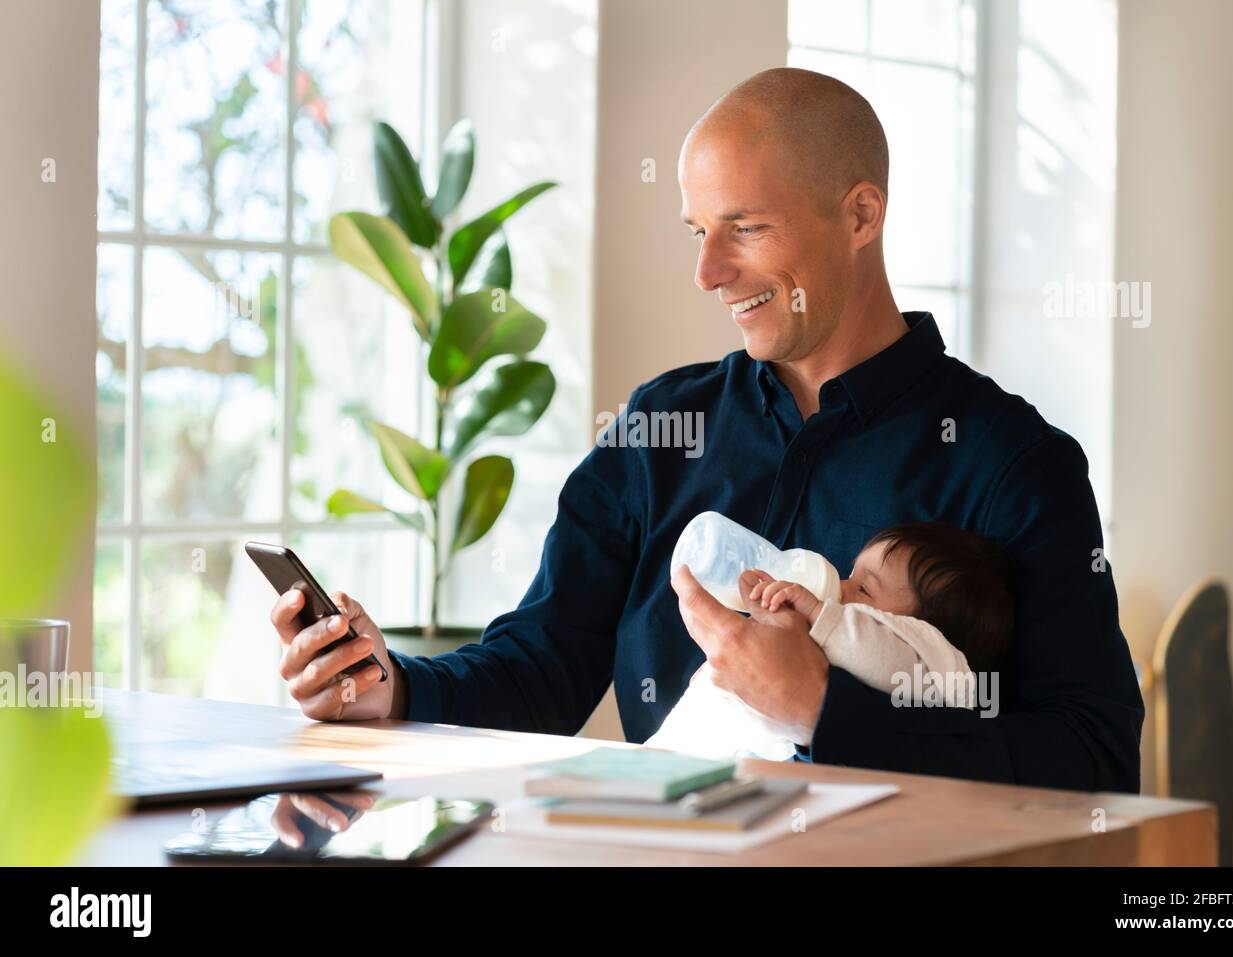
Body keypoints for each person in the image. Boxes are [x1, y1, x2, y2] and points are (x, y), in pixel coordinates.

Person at [269, 66, 1143, 792]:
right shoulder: (660, 425)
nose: (707, 271)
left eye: (745, 228)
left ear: (861, 216)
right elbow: (545, 656)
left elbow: (1094, 760)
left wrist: (826, 712)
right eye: (696, 229)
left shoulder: (1015, 464)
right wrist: (393, 689)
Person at [645, 521, 1015, 759]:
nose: (839, 588)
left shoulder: (935, 660)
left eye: (863, 589)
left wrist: (823, 617)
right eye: (852, 576)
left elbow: (881, 657)